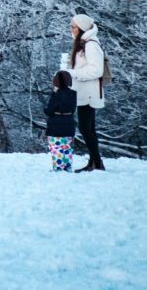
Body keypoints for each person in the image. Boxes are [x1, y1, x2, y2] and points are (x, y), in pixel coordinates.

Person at [65, 13, 106, 172]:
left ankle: (96, 162)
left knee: (85, 128)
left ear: (81, 28)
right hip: (83, 92)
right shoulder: (83, 43)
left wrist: (73, 74)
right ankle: (94, 162)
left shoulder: (90, 44)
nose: (71, 29)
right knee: (88, 128)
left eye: (73, 26)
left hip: (89, 93)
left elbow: (96, 70)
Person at [44, 70, 77, 172]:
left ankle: (58, 167)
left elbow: (49, 111)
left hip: (55, 126)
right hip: (69, 124)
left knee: (56, 148)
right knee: (66, 147)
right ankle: (67, 166)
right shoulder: (73, 94)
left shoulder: (56, 95)